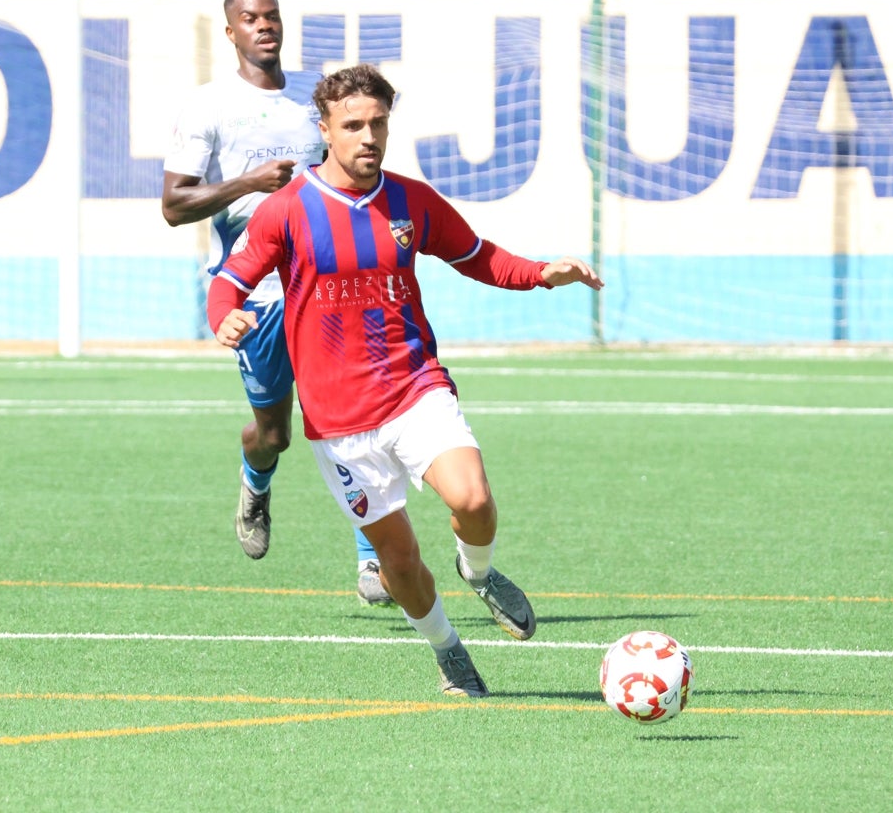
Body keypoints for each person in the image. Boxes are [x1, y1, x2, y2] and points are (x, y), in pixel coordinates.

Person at [207, 64, 603, 697]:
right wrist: (224, 316)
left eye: (379, 124)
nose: (369, 137)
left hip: (414, 386)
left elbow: (477, 255)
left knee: (471, 498)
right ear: (325, 131)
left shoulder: (410, 200)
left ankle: (478, 572)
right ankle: (449, 649)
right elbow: (230, 279)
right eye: (354, 125)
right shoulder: (287, 210)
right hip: (339, 422)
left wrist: (540, 272)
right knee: (397, 561)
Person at [161, 0, 394, 606]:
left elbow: (350, 174)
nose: (264, 26)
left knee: (351, 418)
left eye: (272, 16)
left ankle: (374, 558)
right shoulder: (207, 106)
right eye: (249, 18)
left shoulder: (314, 99)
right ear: (230, 31)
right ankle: (255, 480)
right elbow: (174, 205)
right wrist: (248, 183)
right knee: (276, 432)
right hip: (254, 292)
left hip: (325, 286)